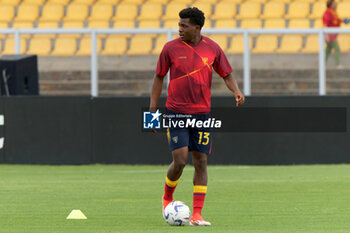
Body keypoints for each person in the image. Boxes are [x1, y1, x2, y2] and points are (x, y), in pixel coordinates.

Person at [149, 7, 245, 226]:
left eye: (184, 26)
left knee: (201, 162)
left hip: (201, 113)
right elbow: (158, 78)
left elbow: (227, 74)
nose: (179, 29)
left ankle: (197, 214)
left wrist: (236, 91)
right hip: (176, 111)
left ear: (197, 27)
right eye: (179, 25)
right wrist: (152, 110)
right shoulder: (170, 48)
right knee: (180, 160)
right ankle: (167, 197)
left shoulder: (212, 48)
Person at [322, 0, 350, 69]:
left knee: (328, 50)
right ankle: (337, 64)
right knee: (337, 48)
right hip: (330, 34)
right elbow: (325, 24)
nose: (336, 4)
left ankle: (322, 64)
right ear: (331, 4)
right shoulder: (328, 12)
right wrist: (326, 35)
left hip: (333, 34)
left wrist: (343, 21)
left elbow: (336, 20)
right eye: (334, 3)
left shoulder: (333, 12)